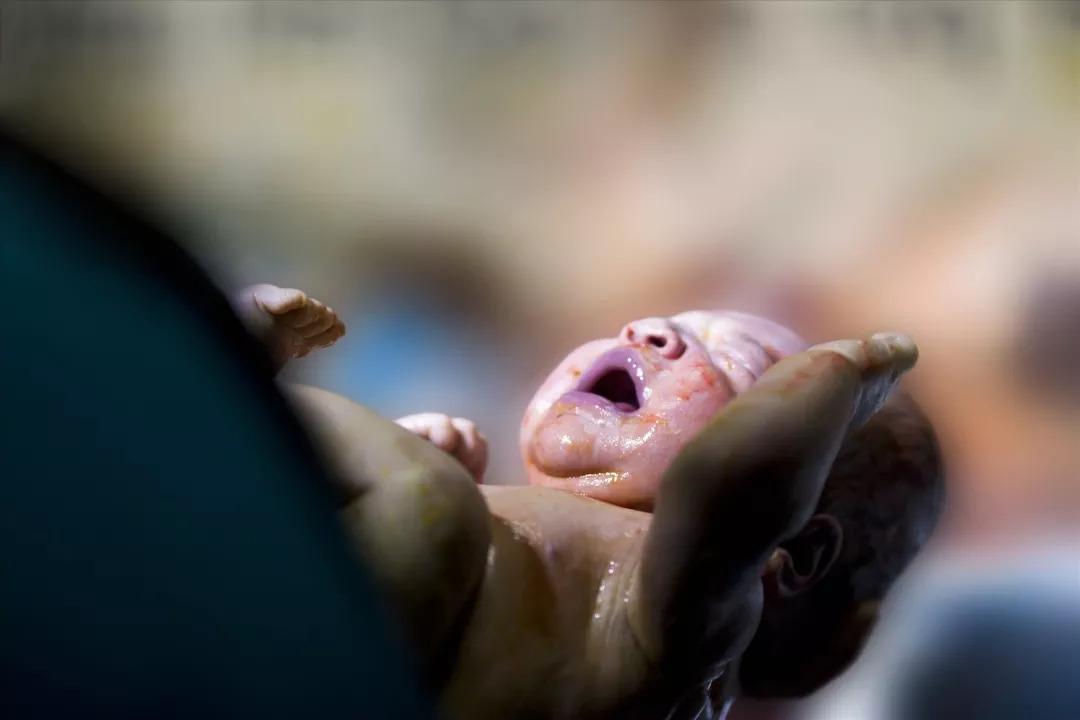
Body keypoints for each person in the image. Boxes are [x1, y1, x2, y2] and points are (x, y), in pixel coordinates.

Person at [231, 284, 945, 720]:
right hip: (337, 628)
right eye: (672, 324)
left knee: (427, 501)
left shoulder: (678, 626)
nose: (649, 332)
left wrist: (843, 372)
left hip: (367, 662)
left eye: (745, 367)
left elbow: (725, 487)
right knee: (423, 494)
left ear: (787, 535)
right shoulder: (525, 527)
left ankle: (230, 387)